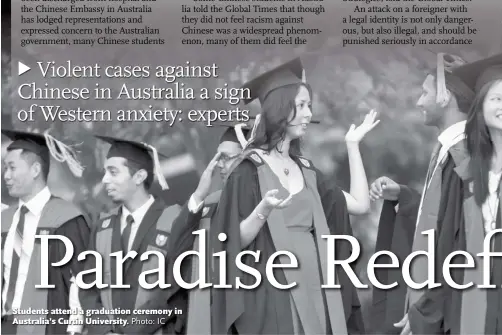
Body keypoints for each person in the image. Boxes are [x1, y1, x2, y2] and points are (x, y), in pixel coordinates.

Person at [209, 57, 375, 334]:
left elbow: (360, 204)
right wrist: (263, 209)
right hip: (273, 287)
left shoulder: (308, 171)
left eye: (309, 105)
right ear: (279, 109)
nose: (309, 113)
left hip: (318, 281)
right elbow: (231, 238)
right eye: (301, 105)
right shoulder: (247, 170)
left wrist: (352, 146)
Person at [397, 50, 502, 335]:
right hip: (470, 306)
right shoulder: (470, 171)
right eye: (494, 99)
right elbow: (448, 246)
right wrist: (425, 312)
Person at [368, 50, 475, 334]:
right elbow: (441, 221)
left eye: (425, 92)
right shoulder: (448, 151)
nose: (419, 101)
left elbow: (460, 244)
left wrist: (427, 311)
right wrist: (404, 197)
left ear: (445, 97)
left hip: (452, 309)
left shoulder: (465, 156)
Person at [183, 115, 321, 334]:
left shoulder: (280, 201)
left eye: (227, 157)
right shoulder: (211, 203)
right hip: (214, 306)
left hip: (262, 306)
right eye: (218, 157)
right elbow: (179, 249)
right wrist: (199, 195)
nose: (220, 164)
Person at [77, 136, 191, 335]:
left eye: (113, 172)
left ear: (139, 177)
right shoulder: (102, 225)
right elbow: (88, 289)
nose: (105, 180)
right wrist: (104, 331)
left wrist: (129, 332)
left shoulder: (174, 221)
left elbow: (173, 291)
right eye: (105, 172)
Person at [0, 129, 91, 335]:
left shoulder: (67, 218)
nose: (6, 175)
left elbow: (81, 280)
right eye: (5, 168)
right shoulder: (5, 221)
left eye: (12, 168)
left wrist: (74, 329)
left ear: (35, 170)